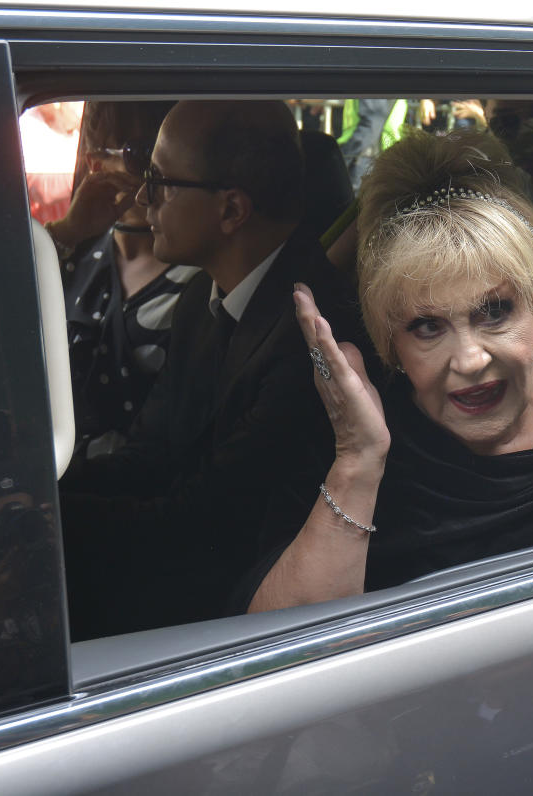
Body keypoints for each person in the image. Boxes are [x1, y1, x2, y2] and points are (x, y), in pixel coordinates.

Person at [248, 129, 533, 612]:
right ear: (389, 340)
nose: (471, 360)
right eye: (427, 326)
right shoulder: (346, 438)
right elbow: (278, 654)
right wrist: (359, 461)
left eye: (495, 312)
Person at [58, 100, 362, 638]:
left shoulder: (312, 336)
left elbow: (205, 521)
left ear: (231, 211)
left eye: (160, 180)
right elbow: (150, 451)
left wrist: (47, 522)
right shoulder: (206, 294)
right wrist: (42, 493)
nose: (142, 196)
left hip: (239, 611)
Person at [48, 101, 201, 460]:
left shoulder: (205, 276)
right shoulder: (68, 258)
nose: (159, 171)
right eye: (142, 153)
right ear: (96, 165)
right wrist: (66, 233)